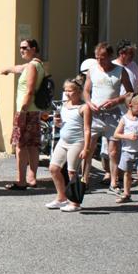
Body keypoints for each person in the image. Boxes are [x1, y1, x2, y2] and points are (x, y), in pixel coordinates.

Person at [83, 42, 134, 194]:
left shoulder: (120, 71)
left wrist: (116, 101)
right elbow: (86, 91)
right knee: (88, 147)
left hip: (113, 114)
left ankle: (114, 181)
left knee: (113, 150)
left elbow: (130, 93)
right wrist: (89, 103)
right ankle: (84, 179)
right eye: (97, 58)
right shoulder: (92, 70)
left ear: (111, 57)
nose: (100, 61)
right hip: (95, 114)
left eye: (103, 58)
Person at [1, 38, 45, 189]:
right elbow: (19, 68)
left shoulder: (32, 66)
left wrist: (22, 112)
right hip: (33, 110)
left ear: (34, 48)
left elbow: (30, 90)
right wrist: (7, 69)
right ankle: (31, 178)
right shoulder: (37, 64)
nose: (22, 50)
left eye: (25, 48)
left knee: (20, 145)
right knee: (32, 145)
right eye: (20, 47)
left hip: (25, 110)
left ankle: (21, 180)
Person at [45, 77, 91, 212]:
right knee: (54, 168)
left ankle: (75, 202)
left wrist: (86, 148)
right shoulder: (64, 106)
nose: (67, 93)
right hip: (63, 142)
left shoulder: (84, 108)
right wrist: (58, 123)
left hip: (77, 142)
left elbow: (87, 129)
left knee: (72, 172)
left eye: (70, 91)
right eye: (65, 90)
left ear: (78, 91)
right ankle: (61, 198)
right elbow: (62, 124)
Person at [114, 94, 138, 206]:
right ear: (130, 105)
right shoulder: (124, 119)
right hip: (127, 151)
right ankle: (126, 194)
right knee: (127, 173)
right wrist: (128, 136)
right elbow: (116, 134)